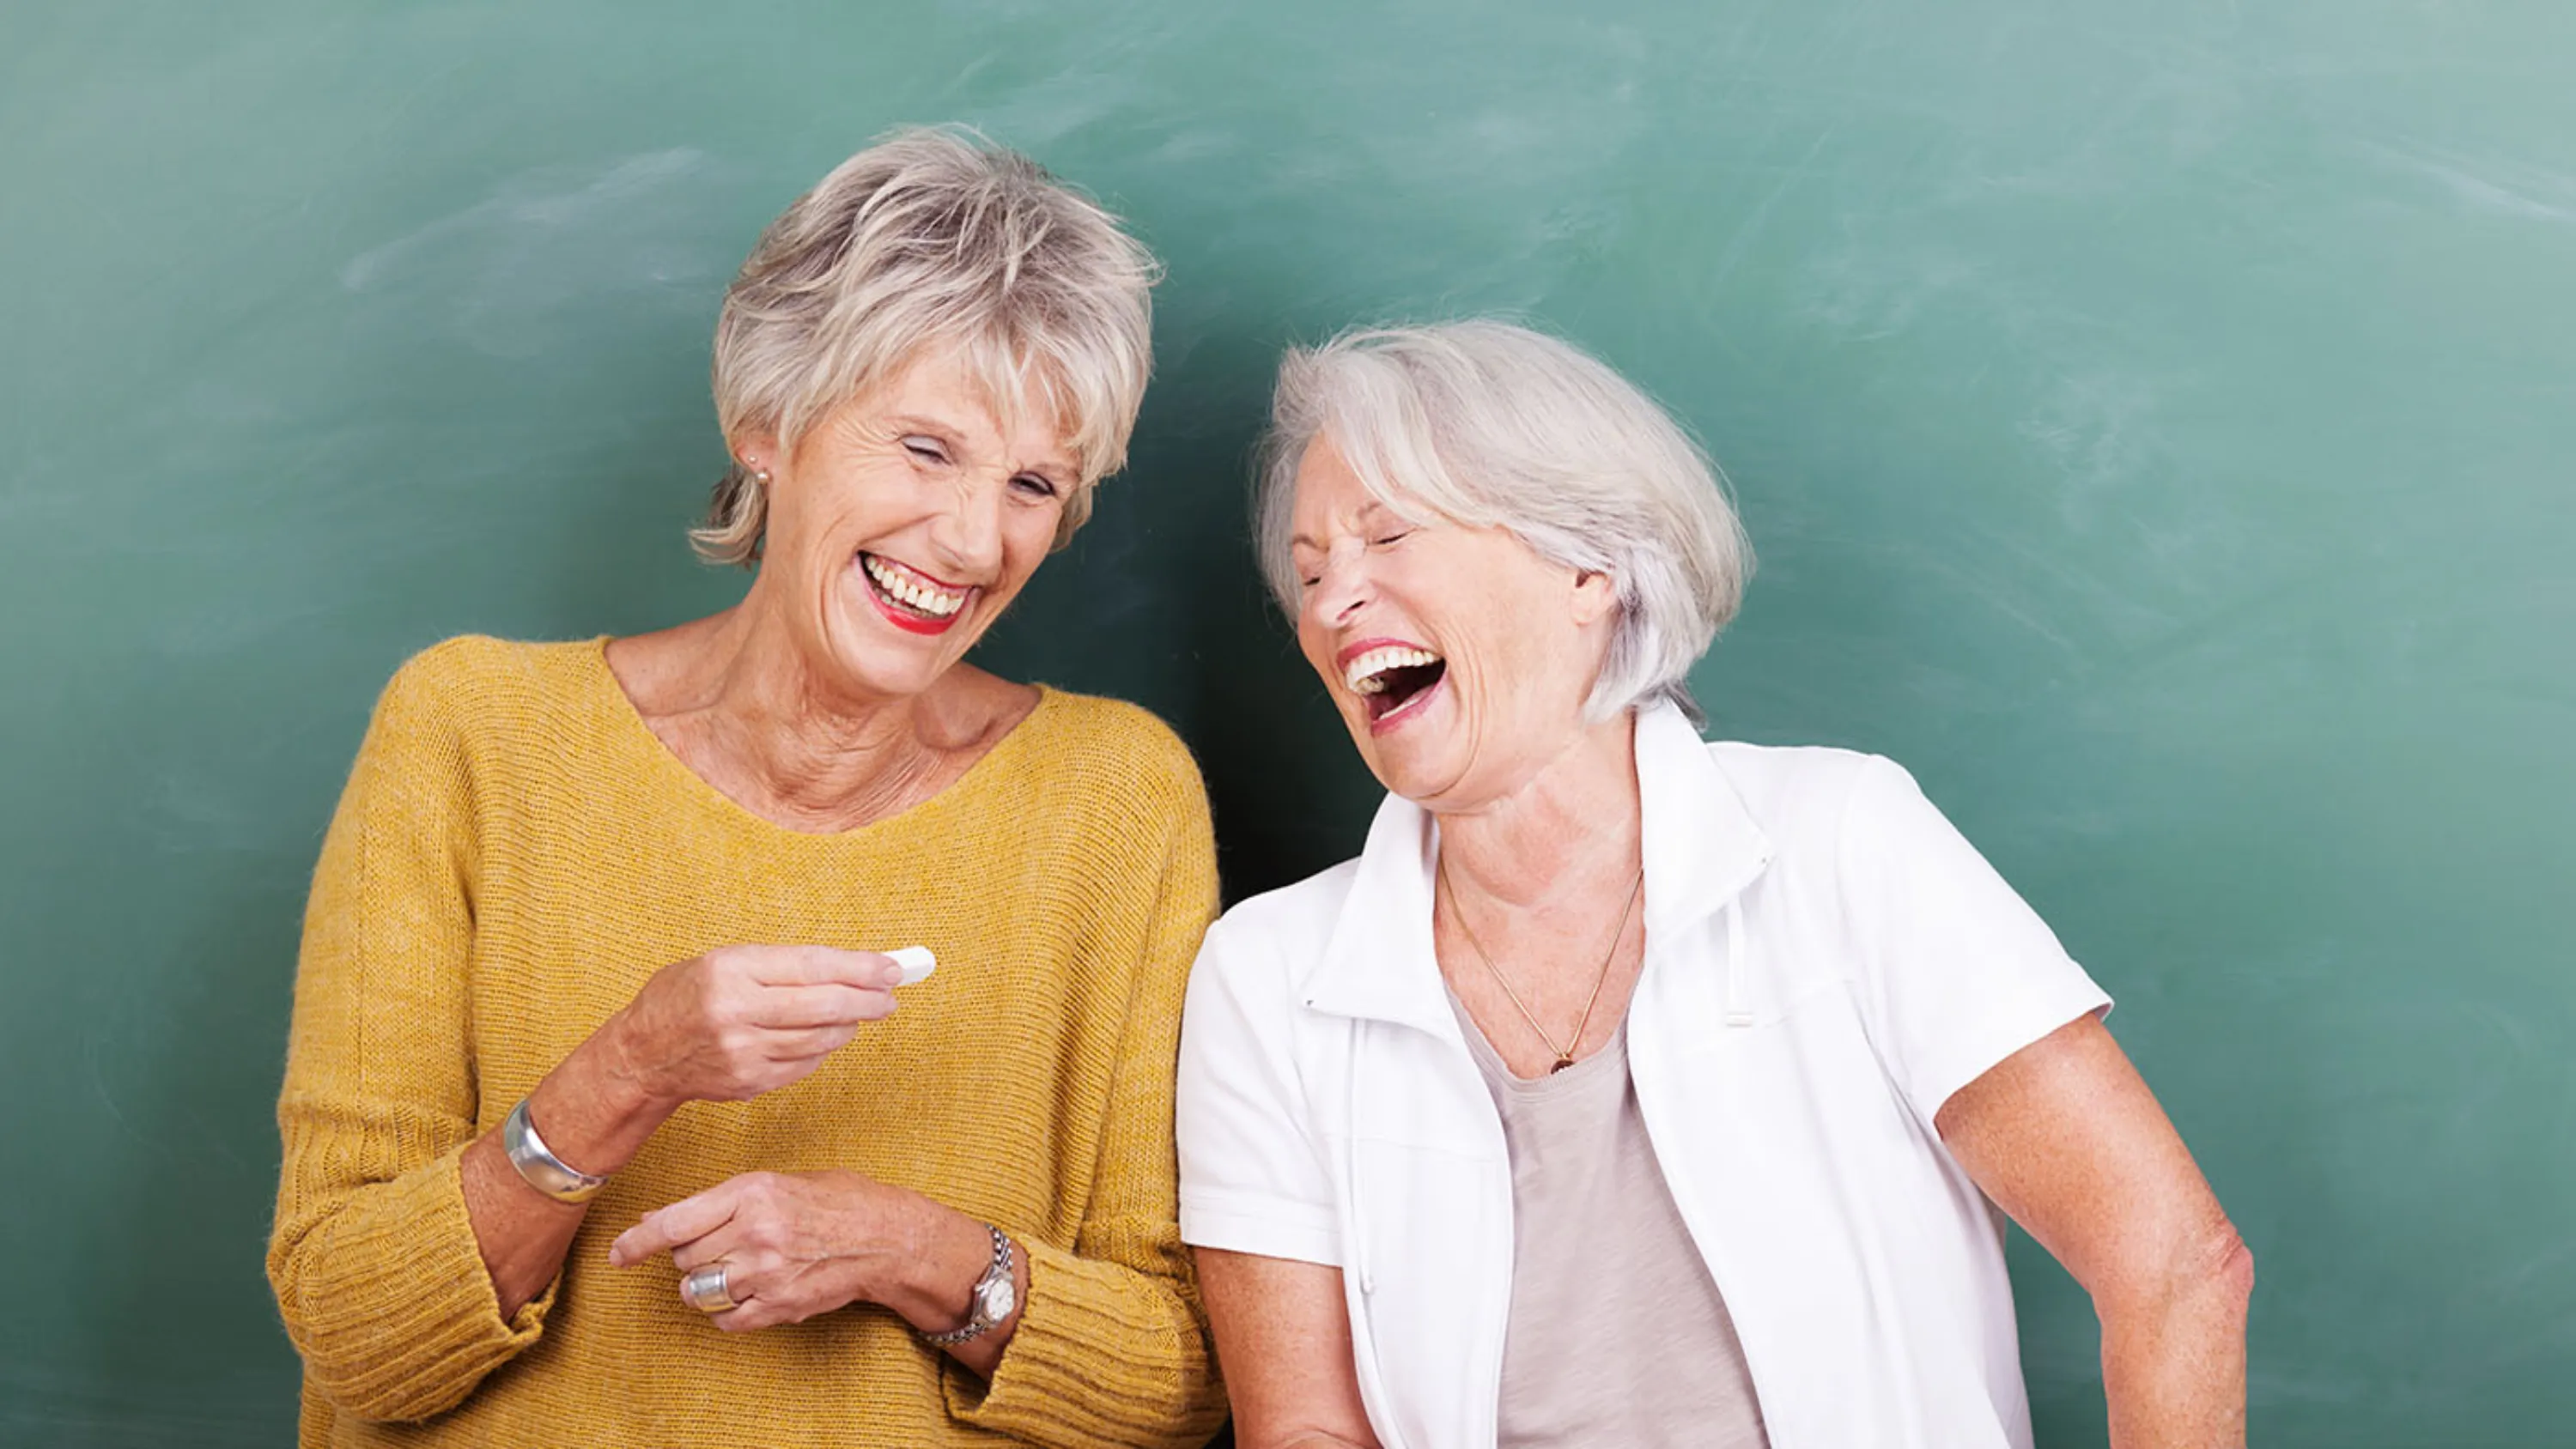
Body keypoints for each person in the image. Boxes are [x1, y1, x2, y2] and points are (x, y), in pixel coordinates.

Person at [267, 128, 1227, 1449]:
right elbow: (353, 1335)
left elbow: (1179, 1383)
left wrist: (912, 1251)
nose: (972, 538)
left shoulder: (1117, 801)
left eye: (1032, 485)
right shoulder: (472, 734)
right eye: (926, 449)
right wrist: (625, 1074)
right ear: (767, 421)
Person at [1176, 319, 2252, 1449]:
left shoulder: (1842, 843)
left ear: (1586, 567)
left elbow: (2174, 1262)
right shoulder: (1266, 980)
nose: (1334, 603)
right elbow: (1306, 1430)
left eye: (1387, 536)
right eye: (1309, 571)